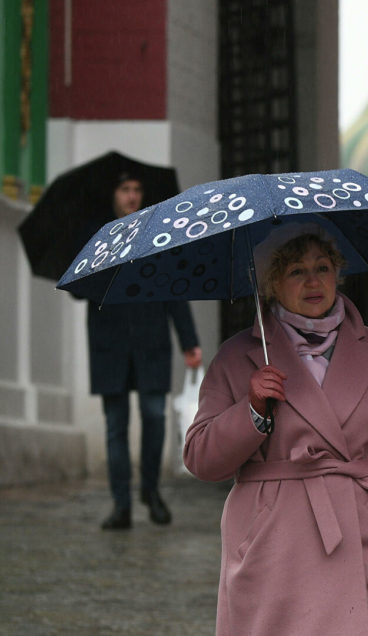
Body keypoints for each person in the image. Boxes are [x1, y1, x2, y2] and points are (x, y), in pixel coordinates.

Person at [183, 224, 368, 635]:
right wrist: (253, 411)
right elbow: (200, 457)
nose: (313, 281)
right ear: (272, 284)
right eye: (296, 271)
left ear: (338, 274)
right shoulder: (237, 357)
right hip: (273, 543)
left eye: (323, 267)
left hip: (363, 536)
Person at [93, 171, 202, 530]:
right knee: (115, 428)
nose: (131, 196)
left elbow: (175, 291)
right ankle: (121, 504)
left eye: (136, 189)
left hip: (151, 343)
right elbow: (79, 288)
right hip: (109, 347)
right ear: (114, 194)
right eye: (124, 189)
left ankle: (150, 491)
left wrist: (188, 341)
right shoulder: (97, 238)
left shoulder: (158, 236)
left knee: (154, 419)